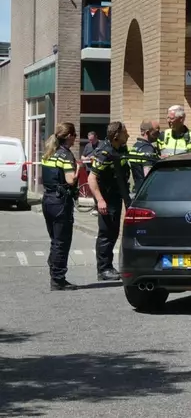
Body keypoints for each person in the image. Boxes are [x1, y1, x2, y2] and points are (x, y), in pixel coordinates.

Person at [87, 121, 132, 281]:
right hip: (107, 198)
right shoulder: (104, 152)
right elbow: (92, 178)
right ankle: (103, 269)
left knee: (113, 232)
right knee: (106, 233)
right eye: (125, 132)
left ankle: (109, 266)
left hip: (117, 196)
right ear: (116, 135)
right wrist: (100, 200)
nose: (128, 135)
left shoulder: (121, 148)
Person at [40, 122, 79, 291]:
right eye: (75, 135)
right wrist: (80, 169)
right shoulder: (66, 155)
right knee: (61, 241)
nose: (76, 138)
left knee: (55, 240)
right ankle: (58, 278)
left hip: (47, 199)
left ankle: (54, 270)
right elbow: (70, 180)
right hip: (60, 202)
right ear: (69, 136)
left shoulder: (49, 153)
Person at [128, 120, 160, 195]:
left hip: (136, 189)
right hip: (146, 193)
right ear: (148, 132)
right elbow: (148, 175)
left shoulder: (135, 146)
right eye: (157, 131)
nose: (159, 134)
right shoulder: (148, 149)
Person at [81, 131, 104, 216]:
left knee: (98, 188)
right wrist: (85, 158)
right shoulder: (88, 146)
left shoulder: (102, 144)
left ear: (96, 137)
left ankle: (99, 207)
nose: (91, 141)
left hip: (97, 169)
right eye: (89, 140)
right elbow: (82, 156)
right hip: (89, 168)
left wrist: (95, 157)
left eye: (92, 140)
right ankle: (96, 206)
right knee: (92, 188)